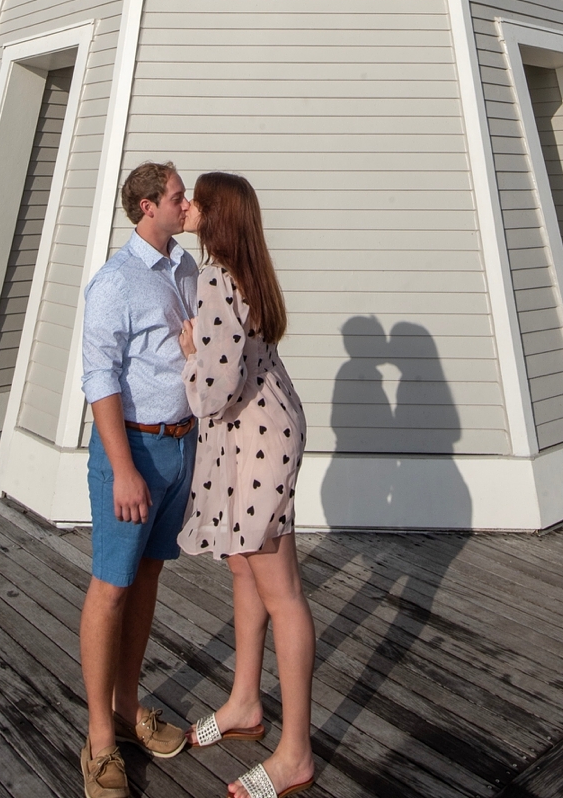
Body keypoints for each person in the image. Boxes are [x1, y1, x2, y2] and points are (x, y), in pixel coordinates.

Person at [178, 171, 315, 798]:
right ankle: (243, 702)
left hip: (255, 443)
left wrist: (189, 355)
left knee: (281, 590)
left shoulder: (213, 281)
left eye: (195, 202)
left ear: (215, 218)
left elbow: (214, 389)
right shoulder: (249, 273)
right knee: (242, 567)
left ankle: (296, 753)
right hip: (260, 434)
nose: (187, 208)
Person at [78, 160, 198, 796]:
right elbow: (100, 379)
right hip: (134, 452)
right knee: (111, 586)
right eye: (179, 197)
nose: (188, 205)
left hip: (180, 447)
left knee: (147, 577)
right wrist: (123, 468)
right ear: (148, 206)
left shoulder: (185, 267)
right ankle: (99, 740)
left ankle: (127, 712)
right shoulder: (115, 282)